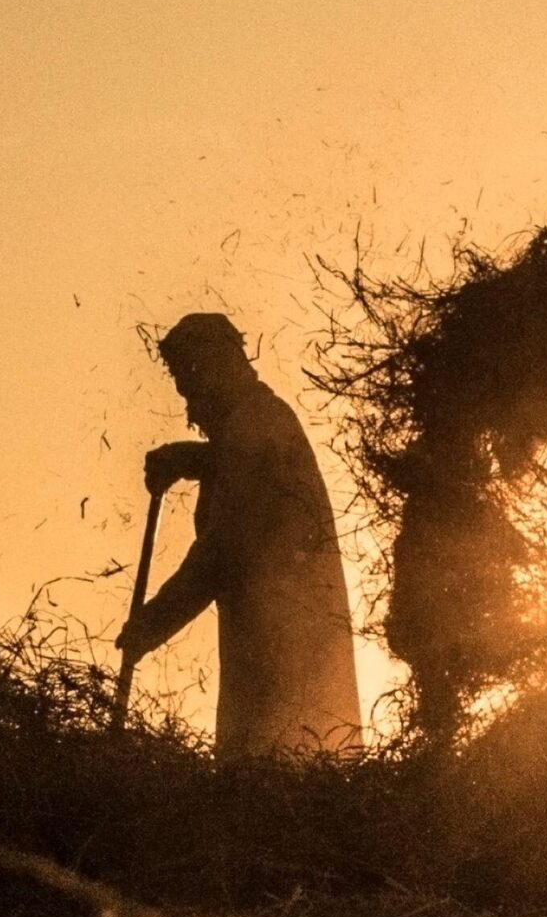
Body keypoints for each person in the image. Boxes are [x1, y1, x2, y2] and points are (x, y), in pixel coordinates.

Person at [116, 313, 363, 759]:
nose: (186, 398)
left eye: (189, 378)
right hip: (278, 634)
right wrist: (190, 458)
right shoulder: (259, 421)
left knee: (275, 764)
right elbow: (235, 466)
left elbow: (226, 550)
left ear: (216, 367)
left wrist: (153, 622)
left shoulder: (256, 424)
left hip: (285, 648)